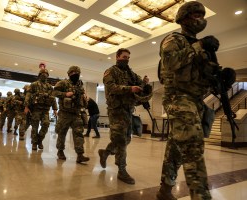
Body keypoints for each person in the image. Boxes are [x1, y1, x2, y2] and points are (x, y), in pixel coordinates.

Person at [156, 2, 220, 200]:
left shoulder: (200, 47)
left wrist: (221, 80)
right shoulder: (173, 39)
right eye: (195, 14)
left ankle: (165, 190)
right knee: (193, 146)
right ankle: (201, 196)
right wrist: (199, 45)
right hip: (178, 98)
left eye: (202, 14)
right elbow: (171, 62)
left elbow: (201, 78)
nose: (200, 18)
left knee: (176, 147)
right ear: (183, 18)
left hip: (196, 101)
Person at [98, 48, 152, 185]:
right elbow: (111, 88)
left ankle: (105, 152)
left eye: (128, 57)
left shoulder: (130, 73)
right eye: (124, 57)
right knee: (121, 141)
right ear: (117, 57)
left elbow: (138, 84)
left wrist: (144, 83)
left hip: (128, 110)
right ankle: (122, 170)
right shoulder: (110, 71)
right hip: (116, 111)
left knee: (126, 139)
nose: (126, 59)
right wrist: (129, 89)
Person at [53, 66, 90, 164]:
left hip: (76, 113)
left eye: (77, 72)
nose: (75, 74)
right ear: (69, 73)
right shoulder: (63, 83)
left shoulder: (80, 85)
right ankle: (60, 151)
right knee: (62, 133)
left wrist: (84, 98)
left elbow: (82, 96)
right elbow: (54, 92)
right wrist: (65, 94)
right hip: (65, 114)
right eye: (73, 72)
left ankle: (80, 155)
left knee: (78, 134)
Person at [24, 69, 57, 150]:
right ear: (39, 75)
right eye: (42, 73)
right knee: (35, 127)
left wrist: (55, 109)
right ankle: (34, 143)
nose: (44, 75)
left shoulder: (49, 87)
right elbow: (28, 95)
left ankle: (39, 140)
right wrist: (26, 106)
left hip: (45, 110)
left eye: (46, 73)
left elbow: (53, 98)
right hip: (36, 109)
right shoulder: (34, 84)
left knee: (46, 124)